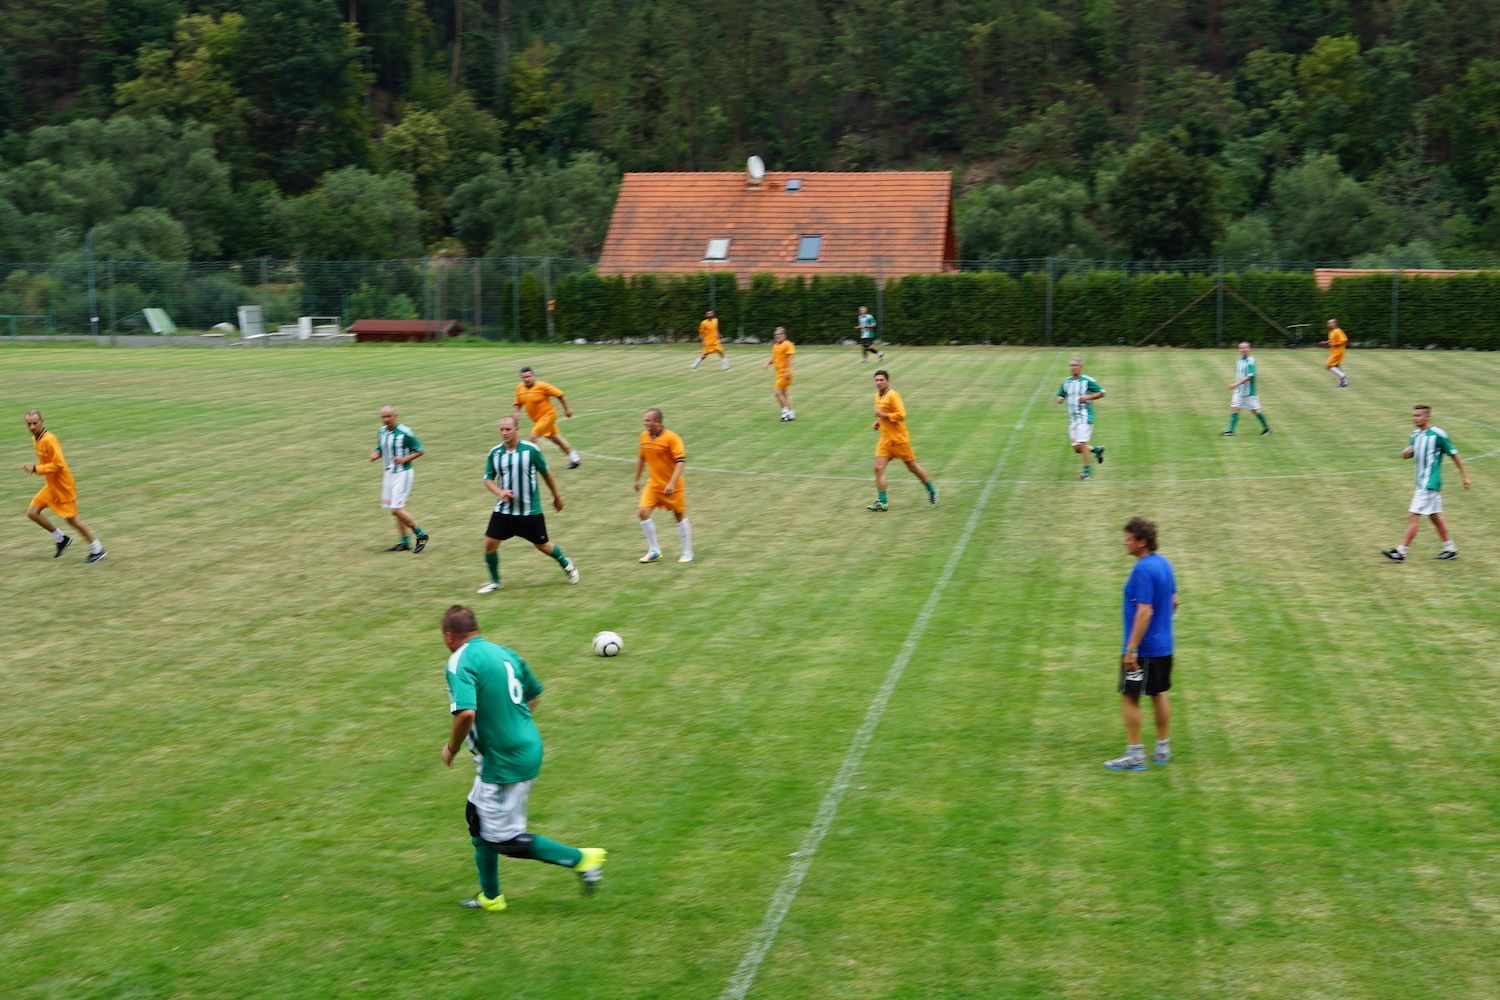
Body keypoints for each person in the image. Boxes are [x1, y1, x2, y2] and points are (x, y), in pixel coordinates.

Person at [439, 604, 606, 912]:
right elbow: (534, 694)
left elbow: (465, 713)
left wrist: (451, 748)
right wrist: (512, 725)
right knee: (476, 817)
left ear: (449, 636)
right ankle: (491, 897)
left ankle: (582, 859)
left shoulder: (459, 660)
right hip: (519, 748)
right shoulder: (505, 653)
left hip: (504, 759)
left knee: (505, 840)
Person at [1106, 517, 1178, 772]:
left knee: (1130, 696)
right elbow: (1174, 601)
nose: (1125, 543)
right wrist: (1161, 626)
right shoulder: (1164, 564)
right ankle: (1162, 749)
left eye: (1129, 539)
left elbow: (1144, 611)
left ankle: (1135, 756)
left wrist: (1132, 649)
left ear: (1142, 542)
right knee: (1158, 693)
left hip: (1143, 650)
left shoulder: (1142, 570)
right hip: (1164, 645)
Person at [476, 416, 578, 593]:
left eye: (508, 429)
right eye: (502, 429)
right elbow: (488, 479)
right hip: (504, 510)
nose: (504, 433)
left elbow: (546, 473)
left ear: (517, 430)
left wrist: (556, 496)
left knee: (543, 546)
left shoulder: (531, 450)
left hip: (530, 512)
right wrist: (500, 492)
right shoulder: (495, 453)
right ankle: (495, 582)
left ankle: (566, 564)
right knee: (489, 545)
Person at [1382, 405, 1472, 562]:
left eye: (1418, 416)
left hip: (1429, 483)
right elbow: (1408, 454)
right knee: (1434, 516)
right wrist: (1405, 453)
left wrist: (1464, 476)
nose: (1414, 418)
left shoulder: (1438, 434)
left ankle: (1401, 553)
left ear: (1427, 417)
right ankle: (1450, 549)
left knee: (1413, 516)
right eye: (1414, 415)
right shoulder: (1415, 435)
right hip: (1421, 483)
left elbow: (1454, 455)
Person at [21, 410, 105, 563]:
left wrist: (35, 469)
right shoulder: (36, 439)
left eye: (35, 423)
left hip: (63, 486)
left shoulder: (49, 440)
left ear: (42, 422)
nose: (32, 427)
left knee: (72, 520)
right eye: (29, 424)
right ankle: (61, 538)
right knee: (32, 512)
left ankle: (97, 549)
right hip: (51, 486)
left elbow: (59, 464)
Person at [867, 370, 937, 510]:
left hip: (899, 440)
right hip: (885, 440)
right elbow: (884, 415)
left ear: (888, 381)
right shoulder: (877, 396)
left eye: (881, 380)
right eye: (876, 380)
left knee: (913, 467)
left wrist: (882, 415)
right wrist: (879, 422)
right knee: (878, 468)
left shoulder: (893, 395)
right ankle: (882, 502)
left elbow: (902, 415)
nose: (878, 382)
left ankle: (932, 491)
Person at [634, 408, 692, 563]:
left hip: (672, 486)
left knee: (678, 515)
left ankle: (687, 552)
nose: (645, 423)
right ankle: (654, 550)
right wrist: (636, 479)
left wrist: (671, 483)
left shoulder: (672, 438)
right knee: (642, 512)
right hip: (654, 485)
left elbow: (681, 462)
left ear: (658, 422)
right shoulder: (644, 437)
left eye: (648, 420)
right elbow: (642, 458)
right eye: (645, 420)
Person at [368, 406, 429, 552]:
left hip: (403, 473)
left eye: (389, 416)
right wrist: (376, 454)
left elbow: (419, 450)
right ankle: (404, 542)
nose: (386, 419)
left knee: (396, 509)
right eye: (383, 417)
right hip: (389, 473)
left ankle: (421, 535)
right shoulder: (381, 432)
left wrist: (404, 459)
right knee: (394, 510)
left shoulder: (405, 432)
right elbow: (381, 449)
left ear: (395, 416)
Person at [514, 367, 581, 469]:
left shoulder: (542, 386)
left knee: (533, 436)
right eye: (524, 377)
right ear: (521, 378)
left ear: (533, 375)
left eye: (529, 376)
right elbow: (518, 404)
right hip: (538, 420)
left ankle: (533, 464)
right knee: (556, 439)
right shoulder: (520, 388)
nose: (527, 379)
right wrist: (516, 417)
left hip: (548, 415)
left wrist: (567, 409)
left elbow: (560, 395)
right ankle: (575, 458)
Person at [1055, 357, 1106, 480]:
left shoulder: (1087, 381)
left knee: (1082, 444)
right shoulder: (1066, 382)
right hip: (1073, 419)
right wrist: (1060, 398)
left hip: (1085, 417)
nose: (1073, 367)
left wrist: (1087, 398)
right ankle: (1096, 450)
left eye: (1076, 365)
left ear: (1081, 368)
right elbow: (1061, 394)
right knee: (1077, 449)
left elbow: (1102, 392)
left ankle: (1086, 472)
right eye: (1071, 365)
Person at [1221, 341, 1271, 436]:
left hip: (1249, 392)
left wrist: (1236, 384)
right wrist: (1237, 386)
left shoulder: (1251, 361)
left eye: (1245, 348)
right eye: (1241, 348)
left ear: (1249, 349)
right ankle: (1231, 431)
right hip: (1239, 391)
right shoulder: (1239, 360)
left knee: (1255, 410)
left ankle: (1267, 429)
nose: (1243, 350)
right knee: (1234, 408)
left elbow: (1249, 377)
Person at [764, 326, 796, 421]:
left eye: (779, 334)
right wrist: (768, 363)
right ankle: (791, 413)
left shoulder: (788, 344)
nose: (777, 336)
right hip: (778, 374)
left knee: (777, 393)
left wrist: (788, 370)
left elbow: (790, 357)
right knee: (784, 394)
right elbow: (775, 358)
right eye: (776, 335)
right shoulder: (775, 346)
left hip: (785, 373)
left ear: (784, 335)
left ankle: (785, 413)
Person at [1319, 318, 1349, 388]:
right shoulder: (1331, 332)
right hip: (1334, 351)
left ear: (1335, 323)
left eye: (1331, 323)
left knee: (1329, 365)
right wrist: (1325, 342)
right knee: (1337, 366)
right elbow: (1331, 340)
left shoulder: (1338, 331)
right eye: (1329, 323)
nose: (1330, 324)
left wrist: (1335, 344)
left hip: (1338, 352)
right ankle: (1344, 383)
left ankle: (1342, 376)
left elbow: (1344, 340)